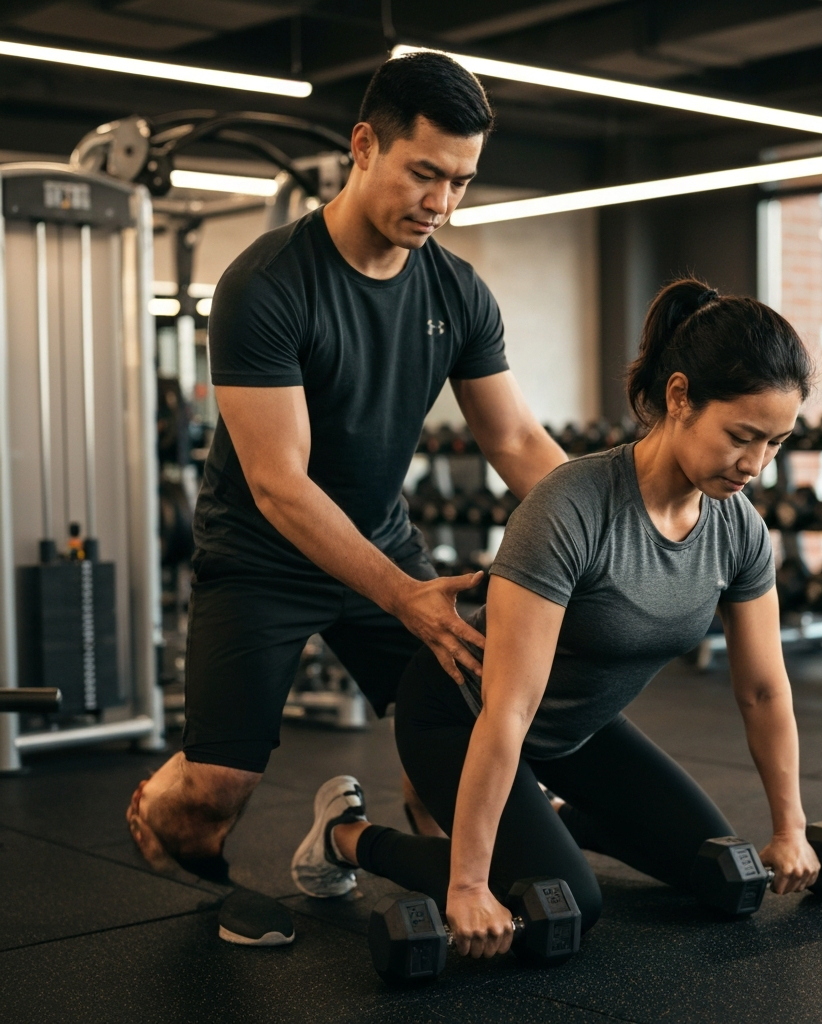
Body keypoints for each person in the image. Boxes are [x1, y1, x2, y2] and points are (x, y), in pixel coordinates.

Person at [125, 51, 567, 944]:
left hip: (381, 537)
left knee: (456, 735)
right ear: (364, 146)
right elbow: (280, 485)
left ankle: (385, 857)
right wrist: (404, 598)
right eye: (425, 173)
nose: (442, 203)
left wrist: (618, 525)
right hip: (260, 559)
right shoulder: (267, 284)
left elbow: (515, 440)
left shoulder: (456, 290)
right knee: (208, 801)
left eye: (462, 182)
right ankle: (165, 791)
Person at [294, 277, 822, 958]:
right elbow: (507, 708)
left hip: (576, 730)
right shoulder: (572, 508)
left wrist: (790, 826)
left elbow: (762, 689)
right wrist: (466, 884)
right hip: (463, 714)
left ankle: (541, 820)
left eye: (776, 443)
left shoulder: (738, 530)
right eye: (741, 436)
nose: (756, 465)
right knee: (558, 908)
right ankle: (348, 835)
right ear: (681, 397)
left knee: (725, 877)